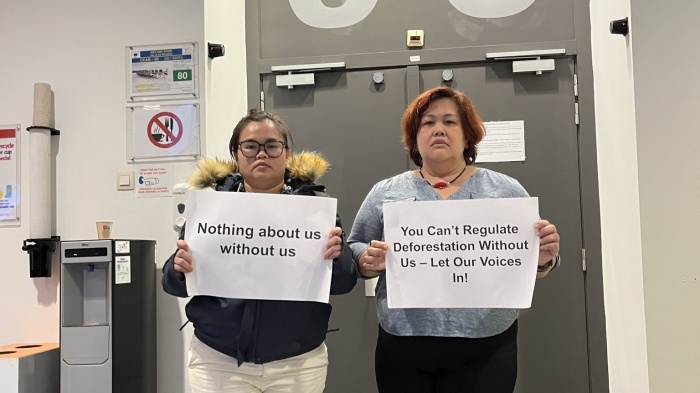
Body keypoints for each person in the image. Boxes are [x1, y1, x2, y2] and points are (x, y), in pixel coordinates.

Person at [347, 86, 561, 393]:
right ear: (414, 137)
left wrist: (542, 260)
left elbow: (536, 260)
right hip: (404, 343)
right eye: (428, 122)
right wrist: (366, 261)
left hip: (485, 344)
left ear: (468, 135)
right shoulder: (386, 191)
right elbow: (356, 247)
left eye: (450, 122)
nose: (438, 130)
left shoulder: (506, 190)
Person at [162, 109, 358, 393]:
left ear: (286, 153)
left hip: (297, 361)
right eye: (251, 146)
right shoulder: (210, 209)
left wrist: (338, 257)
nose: (262, 154)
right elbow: (173, 284)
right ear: (236, 154)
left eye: (272, 146)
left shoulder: (315, 209)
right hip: (218, 358)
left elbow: (344, 282)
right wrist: (178, 269)